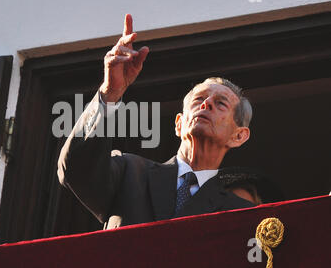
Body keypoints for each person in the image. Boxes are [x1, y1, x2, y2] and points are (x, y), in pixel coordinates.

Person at [58, 14, 258, 230]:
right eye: (199, 99)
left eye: (220, 104)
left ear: (238, 136)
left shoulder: (241, 213)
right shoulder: (130, 172)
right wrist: (110, 92)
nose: (206, 104)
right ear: (179, 124)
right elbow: (75, 169)